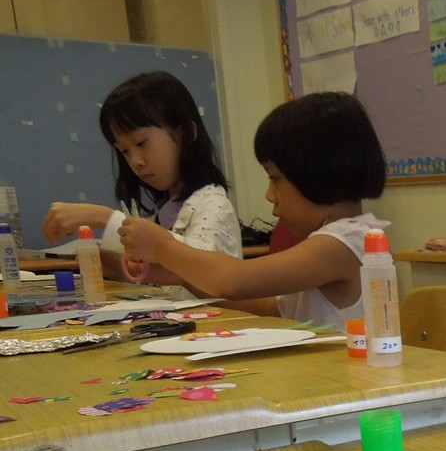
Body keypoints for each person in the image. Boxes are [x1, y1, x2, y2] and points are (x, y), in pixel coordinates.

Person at [119, 91, 387, 327]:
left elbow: (233, 281)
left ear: (318, 172)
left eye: (275, 178)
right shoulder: (338, 240)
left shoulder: (347, 242)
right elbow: (271, 307)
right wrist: (182, 277)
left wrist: (161, 247)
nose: (270, 195)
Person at [42, 70, 241, 281]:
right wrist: (119, 269)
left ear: (187, 133)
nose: (135, 161)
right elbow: (171, 279)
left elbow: (208, 271)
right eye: (124, 151)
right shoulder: (165, 211)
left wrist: (104, 218)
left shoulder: (213, 204)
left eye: (141, 143)